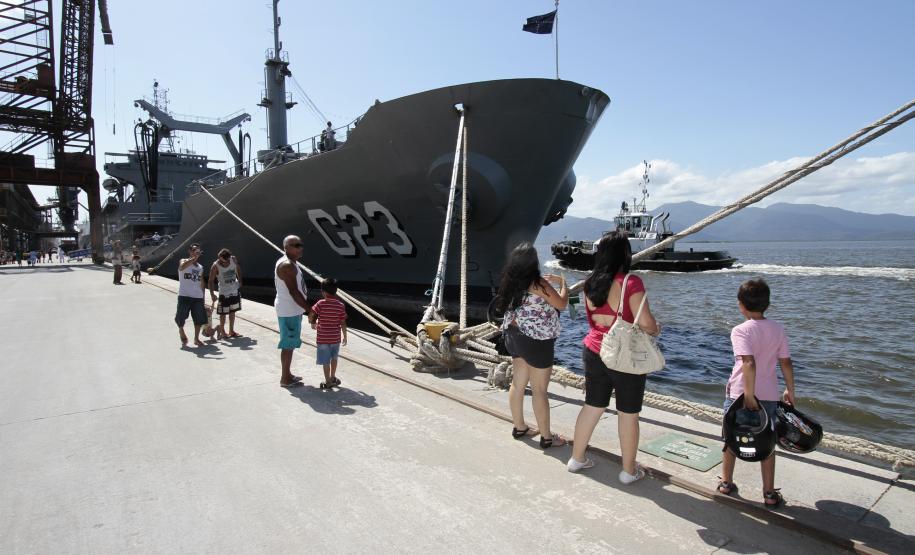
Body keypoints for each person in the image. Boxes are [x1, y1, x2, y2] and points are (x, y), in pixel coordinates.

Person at [567, 231, 660, 483]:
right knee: (628, 414)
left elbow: (593, 320)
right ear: (625, 254)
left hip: (594, 350)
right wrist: (655, 329)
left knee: (592, 406)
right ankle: (628, 471)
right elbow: (646, 323)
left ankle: (576, 458)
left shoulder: (590, 283)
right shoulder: (631, 282)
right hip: (624, 355)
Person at [717, 278, 795, 508]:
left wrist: (749, 395)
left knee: (731, 438)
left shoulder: (740, 331)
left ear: (741, 305)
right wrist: (790, 390)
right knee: (767, 443)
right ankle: (769, 493)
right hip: (769, 395)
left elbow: (748, 363)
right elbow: (786, 362)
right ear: (767, 304)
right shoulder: (778, 329)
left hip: (740, 395)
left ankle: (726, 483)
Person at [493, 242, 569, 448]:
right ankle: (547, 437)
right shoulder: (538, 284)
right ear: (534, 262)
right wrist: (564, 284)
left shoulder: (509, 282)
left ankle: (519, 427)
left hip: (513, 336)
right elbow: (562, 304)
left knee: (517, 384)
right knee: (539, 390)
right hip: (535, 341)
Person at [275, 235, 312, 388]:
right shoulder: (287, 266)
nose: (300, 248)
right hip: (289, 310)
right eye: (296, 245)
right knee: (288, 344)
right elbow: (294, 292)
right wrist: (310, 310)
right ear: (286, 248)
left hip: (292, 309)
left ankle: (288, 374)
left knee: (290, 344)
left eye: (300, 244)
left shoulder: (292, 263)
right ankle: (285, 379)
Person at [309, 278, 347, 389]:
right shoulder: (340, 305)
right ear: (336, 291)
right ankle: (333, 377)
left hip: (323, 339)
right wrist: (345, 336)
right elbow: (343, 322)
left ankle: (328, 381)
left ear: (323, 292)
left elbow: (312, 314)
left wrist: (313, 323)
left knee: (326, 361)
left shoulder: (320, 303)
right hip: (335, 338)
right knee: (334, 358)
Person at [175, 244, 207, 347]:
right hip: (184, 295)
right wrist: (193, 258)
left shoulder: (200, 267)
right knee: (180, 317)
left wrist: (203, 297)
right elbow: (181, 267)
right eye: (194, 250)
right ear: (190, 251)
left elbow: (202, 282)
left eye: (198, 251)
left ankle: (196, 339)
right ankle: (181, 330)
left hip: (197, 297)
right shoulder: (183, 261)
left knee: (198, 319)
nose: (196, 252)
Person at [208, 248, 243, 339]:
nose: (221, 262)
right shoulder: (215, 266)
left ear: (228, 258)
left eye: (223, 261)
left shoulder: (233, 259)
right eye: (220, 259)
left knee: (232, 311)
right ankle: (222, 331)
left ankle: (231, 330)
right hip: (224, 293)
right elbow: (210, 281)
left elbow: (238, 269)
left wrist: (240, 281)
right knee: (223, 313)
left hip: (234, 290)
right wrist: (212, 294)